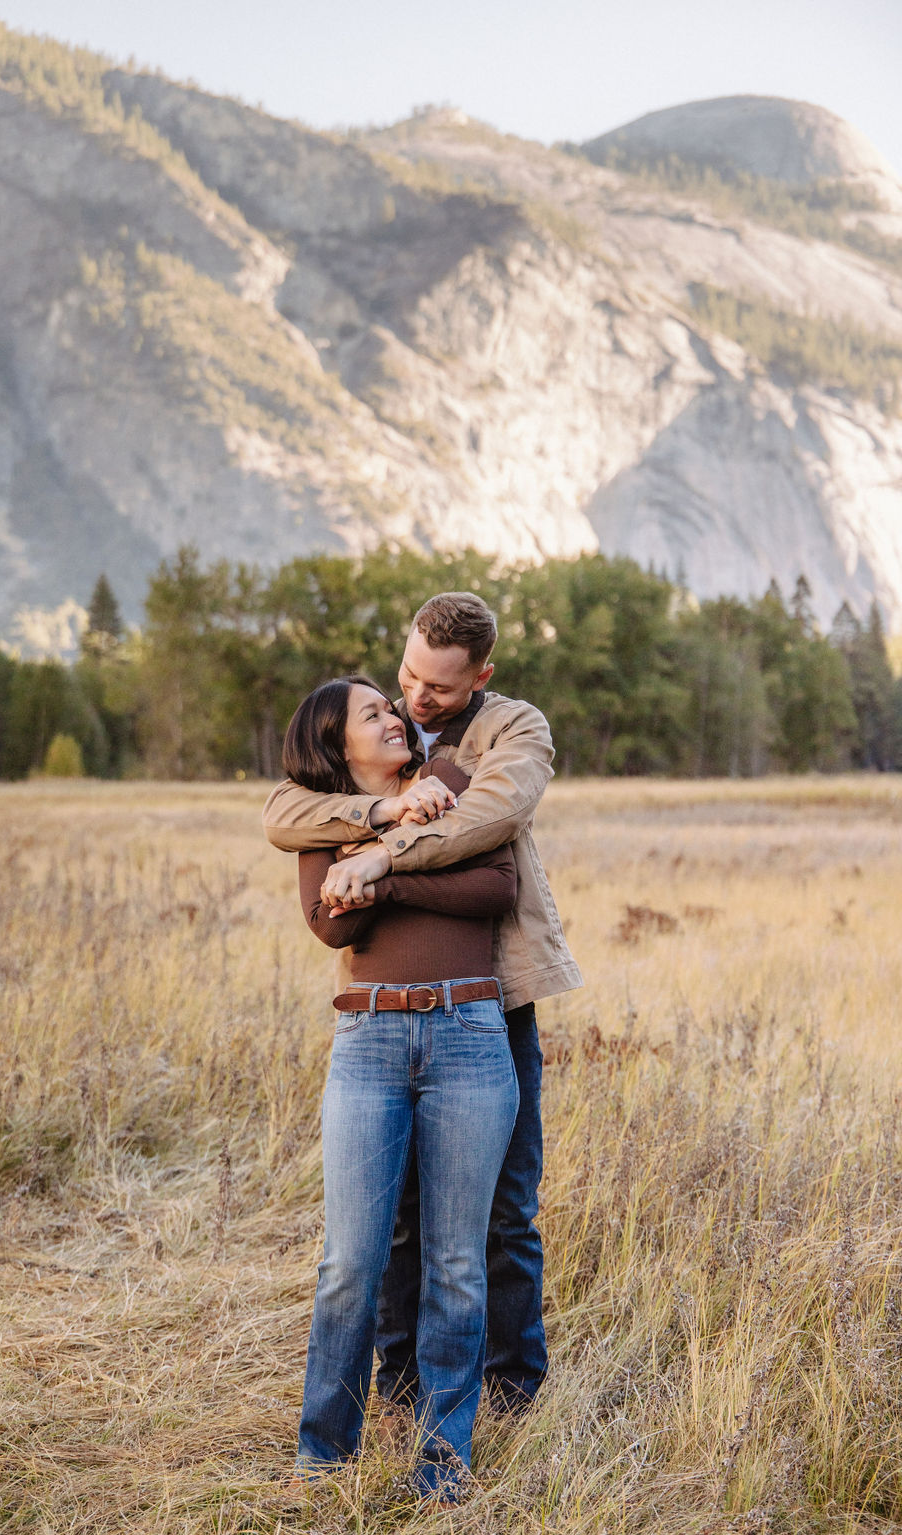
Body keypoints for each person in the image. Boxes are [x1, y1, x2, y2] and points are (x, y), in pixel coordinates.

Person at [264, 592, 583, 1415]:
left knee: (505, 1206)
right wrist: (380, 809)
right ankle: (400, 1379)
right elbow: (283, 811)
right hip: (384, 1011)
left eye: (437, 689)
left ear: (481, 675)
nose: (415, 698)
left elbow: (489, 823)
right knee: (397, 1212)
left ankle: (512, 1384)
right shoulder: (375, 730)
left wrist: (378, 862)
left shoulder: (512, 731)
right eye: (406, 675)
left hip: (492, 995)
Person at [284, 673, 521, 1501]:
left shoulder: (455, 786)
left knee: (458, 1261)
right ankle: (324, 1454)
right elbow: (331, 923)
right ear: (336, 743)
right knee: (350, 1259)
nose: (395, 714)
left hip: (469, 1034)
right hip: (368, 1039)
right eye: (373, 712)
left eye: (393, 707)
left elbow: (496, 889)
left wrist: (384, 872)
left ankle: (443, 1461)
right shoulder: (326, 813)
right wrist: (371, 833)